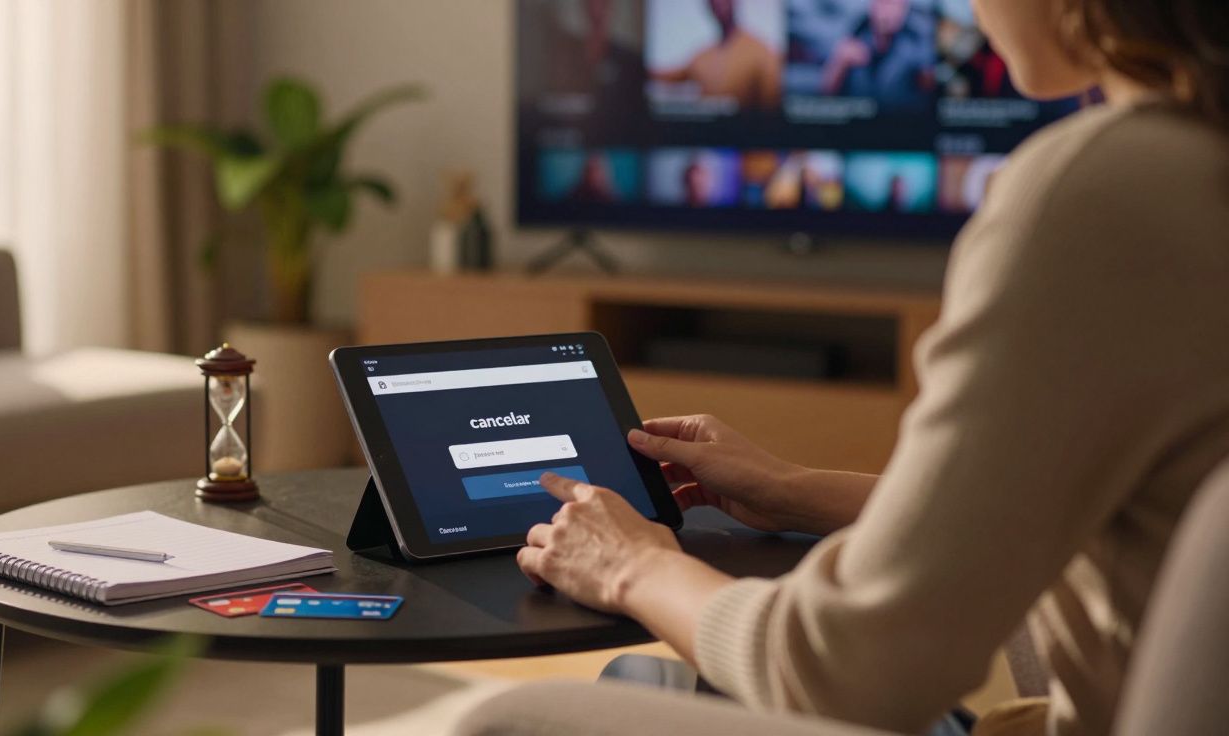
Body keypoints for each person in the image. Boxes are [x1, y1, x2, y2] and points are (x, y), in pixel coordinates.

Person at [471, 1, 1229, 735]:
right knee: (661, 682)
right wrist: (792, 491)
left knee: (514, 719)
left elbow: (848, 676)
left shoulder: (1102, 188)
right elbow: (1064, 525)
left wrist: (631, 568)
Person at [651, 0, 782, 110]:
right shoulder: (703, 56)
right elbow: (674, 75)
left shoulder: (762, 52)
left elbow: (772, 108)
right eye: (712, 2)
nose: (718, 5)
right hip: (705, 134)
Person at [820, 0, 936, 111]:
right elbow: (825, 95)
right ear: (872, 5)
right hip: (857, 120)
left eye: (895, 4)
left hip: (902, 121)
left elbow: (929, 92)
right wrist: (840, 63)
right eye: (883, 3)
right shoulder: (855, 32)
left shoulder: (918, 38)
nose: (888, 12)